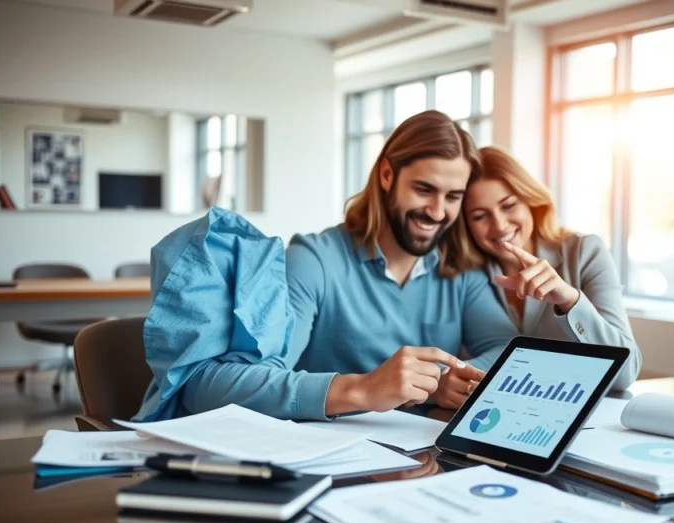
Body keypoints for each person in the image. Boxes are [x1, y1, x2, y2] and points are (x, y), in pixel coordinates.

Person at [173, 111, 520, 420]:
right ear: (387, 174)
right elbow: (215, 386)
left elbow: (512, 352)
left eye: (453, 197)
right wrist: (362, 389)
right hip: (325, 465)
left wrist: (439, 380)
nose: (437, 211)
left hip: (420, 460)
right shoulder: (314, 261)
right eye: (424, 189)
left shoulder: (459, 267)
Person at [440, 145, 641, 404]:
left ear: (530, 201)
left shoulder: (584, 253)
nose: (499, 225)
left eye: (509, 205)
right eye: (480, 216)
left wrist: (569, 301)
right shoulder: (466, 272)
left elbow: (625, 374)